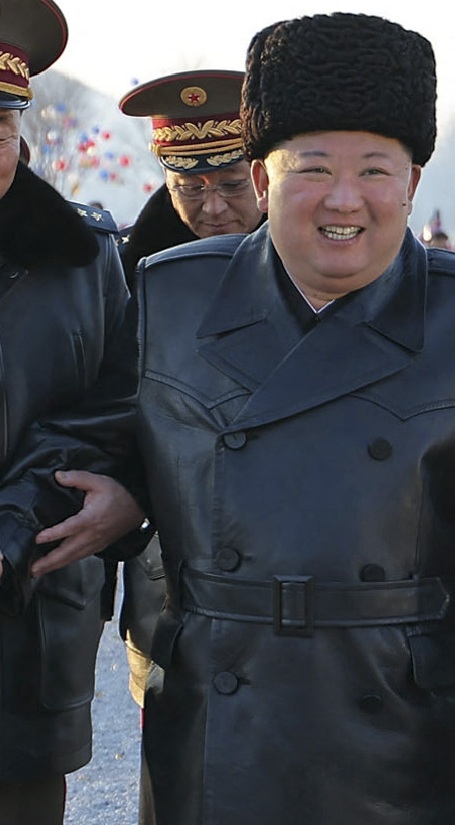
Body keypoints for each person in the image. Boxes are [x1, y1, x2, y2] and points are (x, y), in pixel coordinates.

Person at [131, 14, 455, 824]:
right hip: (225, 697)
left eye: (376, 170)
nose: (344, 200)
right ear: (261, 178)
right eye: (311, 168)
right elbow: (103, 432)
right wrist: (108, 490)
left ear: (413, 184)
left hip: (407, 708)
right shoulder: (167, 294)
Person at [0, 0, 144, 821]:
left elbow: (120, 404)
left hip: (34, 606)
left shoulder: (85, 259)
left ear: (19, 135)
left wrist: (18, 525)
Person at [113, 67, 264, 825]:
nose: (211, 206)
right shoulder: (127, 279)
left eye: (232, 183)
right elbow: (104, 421)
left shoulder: (325, 264)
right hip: (171, 585)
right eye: (188, 185)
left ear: (264, 169)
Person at [118, 69, 262, 282]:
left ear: (263, 177)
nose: (213, 208)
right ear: (168, 182)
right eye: (191, 189)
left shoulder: (311, 253)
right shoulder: (124, 274)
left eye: (232, 185)